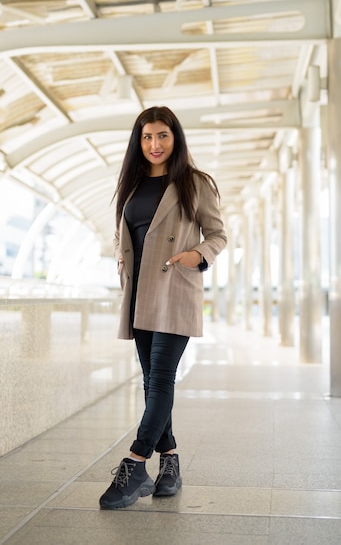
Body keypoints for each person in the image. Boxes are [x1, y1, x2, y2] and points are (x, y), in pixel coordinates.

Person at [99, 106, 227, 510]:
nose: (155, 145)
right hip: (138, 295)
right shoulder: (132, 185)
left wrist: (197, 255)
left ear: (176, 138)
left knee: (161, 380)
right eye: (147, 137)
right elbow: (126, 236)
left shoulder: (195, 183)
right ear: (139, 142)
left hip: (174, 287)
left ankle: (136, 462)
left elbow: (219, 234)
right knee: (152, 381)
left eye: (162, 136)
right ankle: (169, 462)